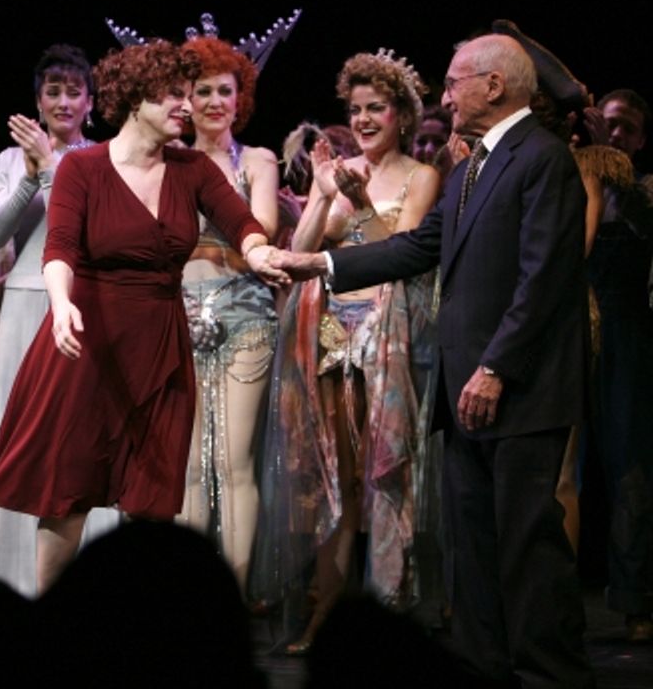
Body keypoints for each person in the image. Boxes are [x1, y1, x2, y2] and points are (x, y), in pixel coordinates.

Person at [271, 34, 594, 687]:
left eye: (452, 83)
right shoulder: (475, 166)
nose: (444, 98)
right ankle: (483, 667)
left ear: (494, 86)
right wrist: (320, 263)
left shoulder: (542, 158)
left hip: (518, 385)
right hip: (465, 382)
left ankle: (551, 675)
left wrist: (496, 367)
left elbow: (543, 279)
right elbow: (419, 245)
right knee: (472, 544)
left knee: (526, 541)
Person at [0, 40, 287, 592]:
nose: (186, 107)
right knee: (71, 491)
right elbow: (59, 247)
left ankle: (138, 621)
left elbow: (241, 223)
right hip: (90, 342)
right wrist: (61, 304)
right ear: (135, 98)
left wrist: (259, 252)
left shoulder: (192, 169)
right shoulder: (82, 168)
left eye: (187, 95)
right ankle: (52, 616)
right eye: (173, 95)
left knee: (153, 497)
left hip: (160, 345)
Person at [260, 50, 440, 653]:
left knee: (380, 475)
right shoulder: (339, 170)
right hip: (328, 336)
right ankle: (327, 611)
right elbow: (303, 249)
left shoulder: (421, 177)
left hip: (384, 337)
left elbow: (404, 255)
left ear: (402, 115)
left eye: (376, 108)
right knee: (330, 478)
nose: (363, 119)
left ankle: (387, 613)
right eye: (356, 108)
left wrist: (361, 209)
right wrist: (320, 195)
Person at [0, 44, 121, 598]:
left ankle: (84, 585)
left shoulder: (105, 158)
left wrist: (52, 170)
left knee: (82, 439)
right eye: (53, 92)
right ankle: (16, 586)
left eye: (74, 92)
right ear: (37, 101)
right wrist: (30, 173)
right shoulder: (8, 159)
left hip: (82, 303)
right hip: (23, 300)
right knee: (19, 438)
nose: (63, 102)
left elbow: (89, 231)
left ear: (90, 102)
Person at [175, 34, 279, 598]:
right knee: (190, 465)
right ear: (184, 99)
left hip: (244, 315)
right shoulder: (167, 160)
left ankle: (232, 597)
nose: (214, 102)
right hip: (177, 317)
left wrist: (193, 238)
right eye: (203, 91)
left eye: (224, 91)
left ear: (241, 98)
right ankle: (192, 598)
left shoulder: (258, 160)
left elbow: (260, 228)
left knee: (234, 461)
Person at [581, 88, 653, 642]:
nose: (617, 134)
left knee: (630, 467)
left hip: (627, 337)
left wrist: (610, 162)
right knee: (562, 469)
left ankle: (633, 601)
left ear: (642, 139)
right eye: (609, 124)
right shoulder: (574, 184)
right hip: (573, 333)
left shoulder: (644, 189)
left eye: (627, 127)